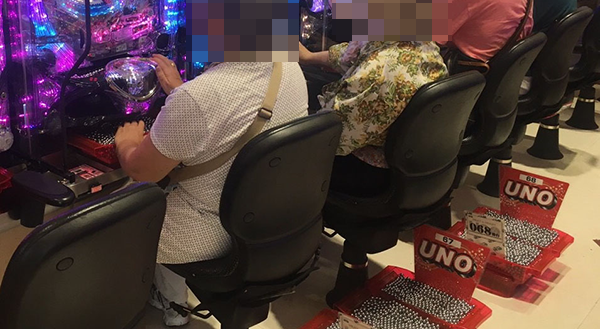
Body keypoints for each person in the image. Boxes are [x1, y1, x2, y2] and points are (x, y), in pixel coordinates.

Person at [115, 56, 308, 326]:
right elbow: (230, 109)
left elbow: (141, 170)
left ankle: (169, 303)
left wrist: (127, 143)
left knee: (119, 220)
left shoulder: (198, 98)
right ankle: (172, 302)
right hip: (274, 216)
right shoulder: (288, 66)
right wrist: (183, 93)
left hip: (212, 232)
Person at [299, 41, 447, 197]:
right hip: (414, 162)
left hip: (369, 174)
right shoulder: (425, 45)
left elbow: (329, 140)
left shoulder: (377, 72)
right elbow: (353, 53)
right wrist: (309, 57)